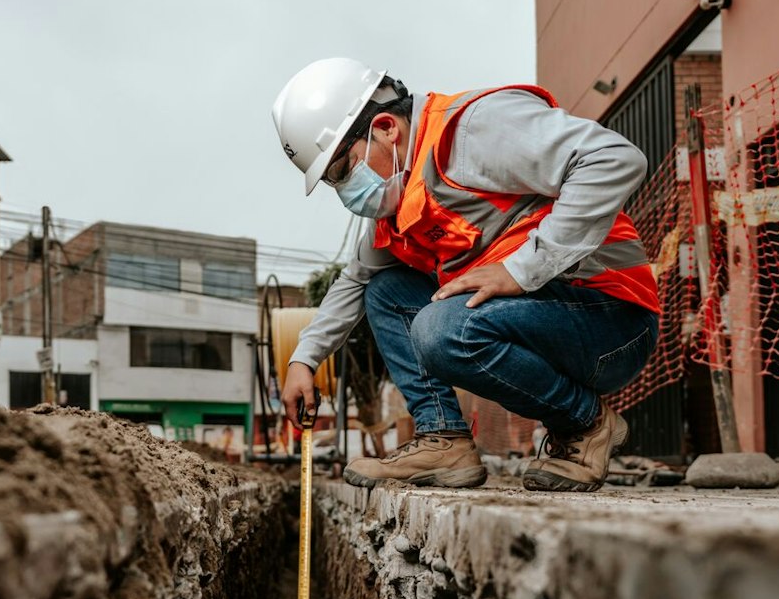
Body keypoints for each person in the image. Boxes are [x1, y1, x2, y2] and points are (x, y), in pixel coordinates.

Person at [271, 58, 660, 492]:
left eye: (342, 171)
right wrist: (304, 358)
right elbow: (356, 281)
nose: (344, 192)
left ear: (385, 128)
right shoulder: (399, 202)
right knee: (386, 290)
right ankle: (445, 441)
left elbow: (614, 158)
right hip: (543, 316)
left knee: (440, 329)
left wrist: (521, 269)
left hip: (610, 320)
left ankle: (586, 424)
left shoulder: (474, 131)